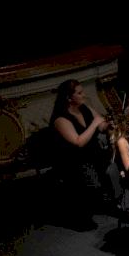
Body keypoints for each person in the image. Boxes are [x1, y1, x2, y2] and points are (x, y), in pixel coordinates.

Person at [50, 79, 111, 228]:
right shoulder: (60, 118)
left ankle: (114, 202)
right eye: (79, 93)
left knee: (114, 166)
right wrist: (95, 123)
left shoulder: (84, 107)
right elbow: (78, 142)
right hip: (74, 160)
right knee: (94, 184)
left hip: (93, 153)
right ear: (69, 98)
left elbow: (101, 125)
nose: (83, 95)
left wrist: (109, 125)